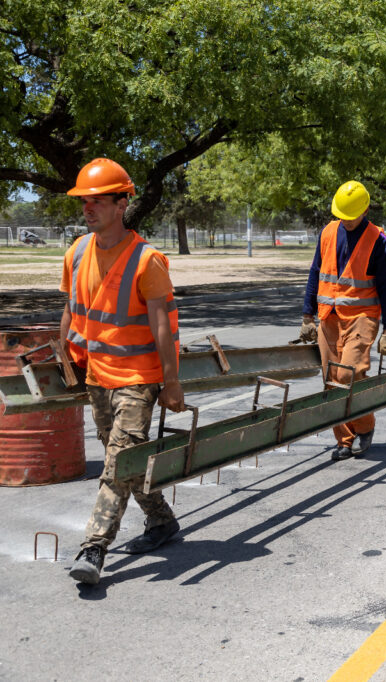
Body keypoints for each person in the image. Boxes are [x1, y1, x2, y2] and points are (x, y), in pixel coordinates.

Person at [60, 158, 185, 585]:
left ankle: (93, 548)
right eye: (84, 201)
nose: (88, 208)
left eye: (97, 200)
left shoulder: (147, 260)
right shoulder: (77, 252)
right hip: (97, 376)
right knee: (128, 463)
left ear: (122, 203)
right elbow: (72, 310)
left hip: (137, 378)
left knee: (116, 466)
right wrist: (65, 360)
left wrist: (171, 383)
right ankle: (163, 522)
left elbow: (162, 326)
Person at [301, 181, 386, 461]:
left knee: (348, 375)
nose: (345, 220)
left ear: (365, 210)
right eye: (342, 214)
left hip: (362, 317)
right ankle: (344, 439)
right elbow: (315, 272)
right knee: (331, 380)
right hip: (328, 317)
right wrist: (307, 315)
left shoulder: (379, 241)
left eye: (351, 215)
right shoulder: (329, 232)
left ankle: (365, 427)